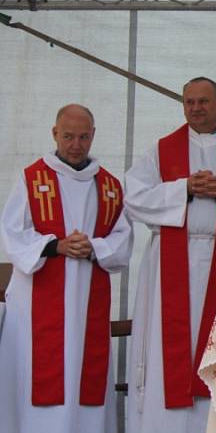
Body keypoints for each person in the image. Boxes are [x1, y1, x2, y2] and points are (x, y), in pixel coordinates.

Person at [125, 77, 216, 433]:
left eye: (203, 101)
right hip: (170, 263)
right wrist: (184, 188)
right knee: (165, 351)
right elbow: (134, 197)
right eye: (189, 102)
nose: (196, 108)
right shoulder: (161, 150)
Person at [0, 104, 132, 432]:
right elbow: (12, 232)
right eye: (68, 136)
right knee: (36, 377)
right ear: (54, 133)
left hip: (88, 303)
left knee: (84, 378)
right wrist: (55, 245)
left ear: (93, 136)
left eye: (83, 137)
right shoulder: (32, 178)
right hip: (35, 306)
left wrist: (94, 247)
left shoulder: (110, 187)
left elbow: (124, 239)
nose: (76, 144)